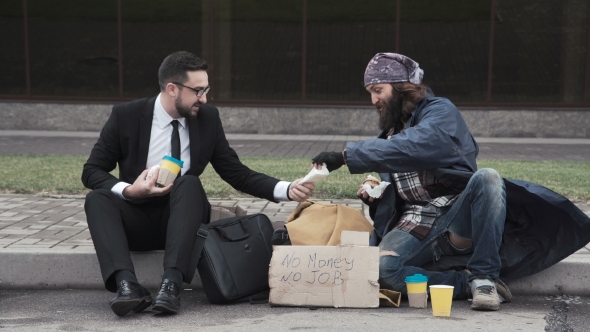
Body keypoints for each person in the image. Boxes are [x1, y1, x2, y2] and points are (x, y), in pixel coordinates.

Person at [312, 53, 590, 311]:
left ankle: (484, 279)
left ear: (402, 87)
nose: (374, 100)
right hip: (413, 222)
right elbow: (401, 194)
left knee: (488, 178)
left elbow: (422, 144)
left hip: (456, 217)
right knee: (382, 271)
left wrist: (348, 156)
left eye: (378, 90)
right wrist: (375, 198)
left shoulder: (441, 112)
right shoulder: (389, 134)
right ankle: (464, 281)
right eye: (370, 93)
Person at [82, 51, 314, 316]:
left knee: (189, 183)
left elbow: (236, 172)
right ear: (172, 89)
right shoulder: (127, 115)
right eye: (198, 91)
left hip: (184, 221)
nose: (204, 98)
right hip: (136, 220)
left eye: (206, 90)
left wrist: (286, 189)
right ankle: (127, 286)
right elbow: (92, 170)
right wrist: (130, 190)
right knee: (97, 198)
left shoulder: (207, 118)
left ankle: (171, 285)